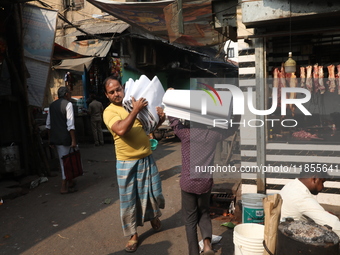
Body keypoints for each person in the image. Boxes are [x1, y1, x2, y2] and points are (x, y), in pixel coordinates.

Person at [102, 76, 165, 253]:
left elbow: (147, 129)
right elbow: (121, 130)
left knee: (152, 193)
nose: (116, 94)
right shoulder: (109, 112)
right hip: (126, 162)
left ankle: (153, 217)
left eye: (118, 89)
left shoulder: (131, 102)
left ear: (123, 88)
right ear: (107, 95)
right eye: (112, 92)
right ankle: (133, 235)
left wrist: (159, 119)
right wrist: (135, 110)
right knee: (129, 200)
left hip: (146, 157)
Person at [168, 111, 239, 255]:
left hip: (188, 184)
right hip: (205, 184)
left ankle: (194, 252)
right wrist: (238, 114)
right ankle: (207, 246)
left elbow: (174, 122)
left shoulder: (186, 134)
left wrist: (169, 101)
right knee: (205, 213)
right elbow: (232, 128)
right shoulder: (213, 135)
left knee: (190, 220)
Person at [280, 170, 340, 238]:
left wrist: (324, 213)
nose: (323, 187)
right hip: (291, 238)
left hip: (285, 230)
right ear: (315, 178)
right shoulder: (301, 196)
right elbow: (333, 224)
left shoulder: (292, 185)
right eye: (322, 182)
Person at [46, 86, 77, 194]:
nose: (70, 94)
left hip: (57, 138)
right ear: (66, 94)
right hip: (65, 138)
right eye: (69, 92)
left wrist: (51, 139)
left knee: (64, 159)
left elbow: (48, 125)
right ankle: (64, 185)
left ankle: (71, 181)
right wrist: (73, 140)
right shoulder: (68, 104)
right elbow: (70, 125)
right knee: (67, 161)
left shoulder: (52, 106)